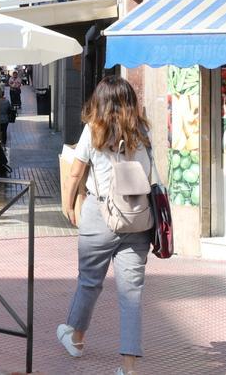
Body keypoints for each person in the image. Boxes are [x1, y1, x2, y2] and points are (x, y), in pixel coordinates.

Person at [58, 76, 154, 375]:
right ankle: (128, 368)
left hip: (100, 214)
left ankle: (75, 337)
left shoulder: (93, 130)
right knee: (131, 294)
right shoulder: (143, 130)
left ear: (99, 101)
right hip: (138, 216)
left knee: (89, 281)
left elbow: (75, 174)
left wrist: (68, 203)